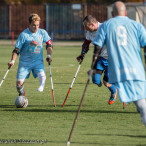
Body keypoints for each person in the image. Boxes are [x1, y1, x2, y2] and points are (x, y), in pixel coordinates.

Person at [92, 1, 146, 126]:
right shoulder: (137, 25)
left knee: (141, 105)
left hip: (119, 71)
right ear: (126, 13)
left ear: (112, 13)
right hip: (136, 70)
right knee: (141, 103)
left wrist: (93, 66)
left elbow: (97, 48)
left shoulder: (106, 25)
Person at [8, 13, 53, 97]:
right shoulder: (23, 35)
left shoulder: (42, 32)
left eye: (38, 25)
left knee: (42, 75)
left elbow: (49, 44)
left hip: (37, 61)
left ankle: (41, 86)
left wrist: (48, 55)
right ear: (29, 24)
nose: (36, 27)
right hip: (25, 63)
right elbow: (17, 49)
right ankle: (22, 94)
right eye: (34, 25)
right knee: (19, 84)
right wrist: (12, 61)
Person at [76, 15, 117, 105]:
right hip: (100, 59)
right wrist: (82, 55)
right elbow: (86, 44)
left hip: (111, 59)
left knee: (106, 83)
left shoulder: (105, 28)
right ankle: (100, 82)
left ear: (93, 24)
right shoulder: (89, 33)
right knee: (95, 80)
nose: (85, 29)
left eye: (86, 27)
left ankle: (113, 91)